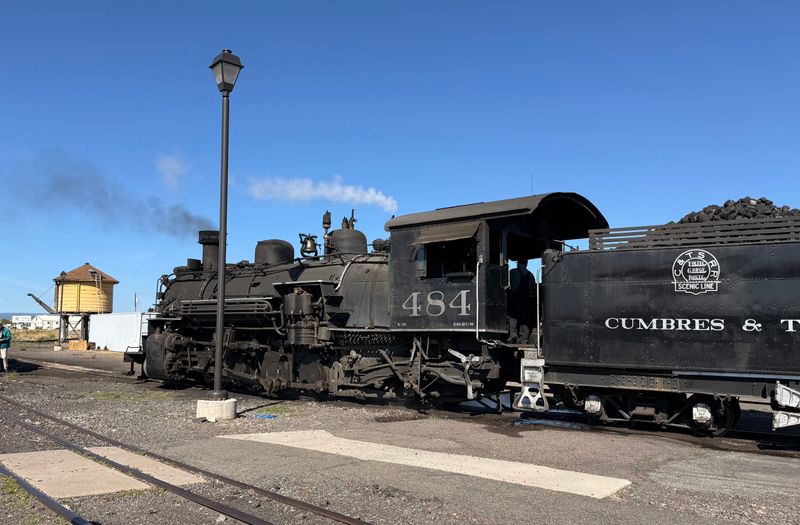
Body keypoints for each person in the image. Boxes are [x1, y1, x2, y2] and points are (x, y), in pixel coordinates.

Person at [508, 259, 536, 343]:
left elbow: (507, 285)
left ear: (519, 263)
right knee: (525, 319)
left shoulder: (512, 272)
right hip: (526, 299)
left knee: (512, 317)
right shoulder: (531, 275)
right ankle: (523, 338)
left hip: (515, 298)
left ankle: (513, 335)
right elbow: (533, 289)